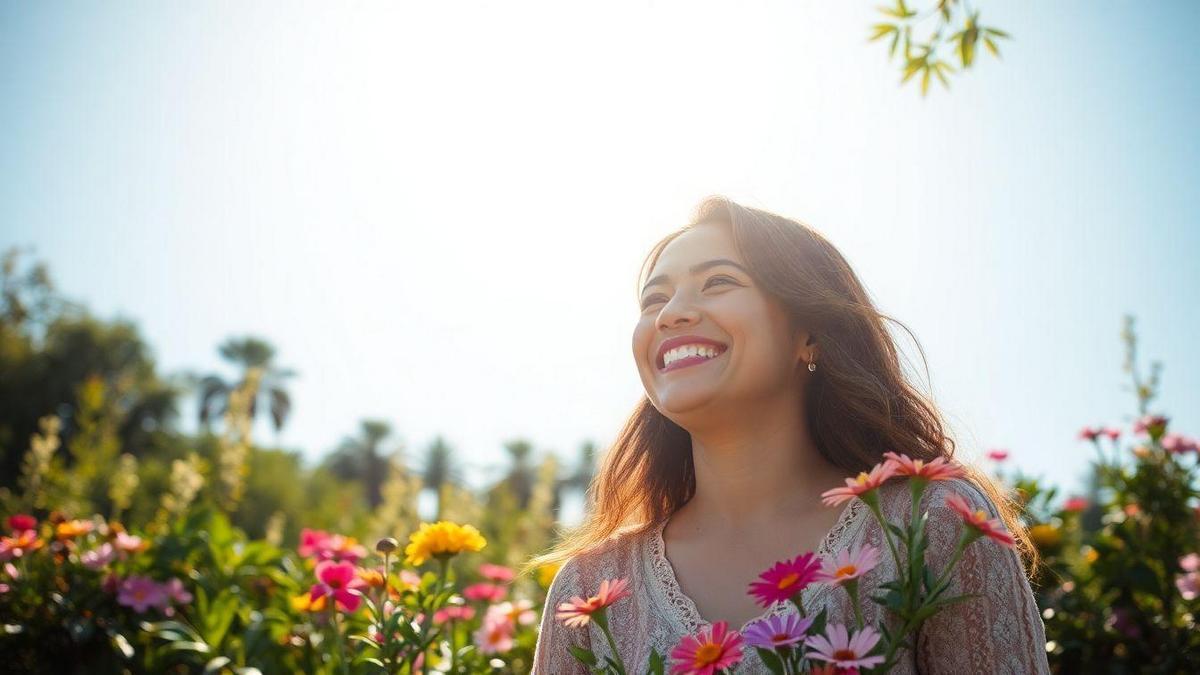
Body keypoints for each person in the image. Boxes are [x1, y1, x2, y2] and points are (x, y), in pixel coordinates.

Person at [526, 196, 1050, 674]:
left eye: (718, 282)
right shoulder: (588, 589)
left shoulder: (932, 526)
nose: (671, 313)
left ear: (809, 335)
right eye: (653, 300)